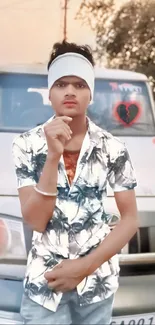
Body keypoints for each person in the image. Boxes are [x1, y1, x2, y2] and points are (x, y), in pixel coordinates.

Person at [12, 41, 138, 325]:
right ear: (50, 91)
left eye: (80, 84)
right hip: (45, 285)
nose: (70, 91)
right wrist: (53, 155)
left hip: (96, 287)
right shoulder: (26, 145)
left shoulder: (113, 147)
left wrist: (83, 267)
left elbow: (130, 220)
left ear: (91, 92)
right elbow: (35, 221)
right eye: (61, 84)